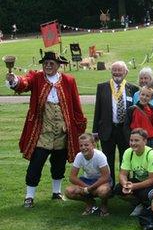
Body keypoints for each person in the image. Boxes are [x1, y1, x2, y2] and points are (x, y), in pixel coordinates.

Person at [6, 51, 87, 208]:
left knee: (59, 164)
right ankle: (29, 196)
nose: (48, 66)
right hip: (42, 132)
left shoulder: (69, 80)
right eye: (46, 63)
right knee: (35, 164)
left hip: (62, 133)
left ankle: (56, 192)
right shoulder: (37, 77)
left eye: (51, 63)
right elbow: (24, 84)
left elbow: (76, 104)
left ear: (58, 65)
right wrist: (14, 80)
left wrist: (79, 124)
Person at [93, 61, 139, 184]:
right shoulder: (102, 87)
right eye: (115, 70)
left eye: (120, 70)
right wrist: (94, 131)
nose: (117, 73)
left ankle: (125, 184)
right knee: (108, 159)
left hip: (125, 130)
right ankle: (110, 184)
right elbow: (98, 109)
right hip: (107, 129)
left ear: (126, 72)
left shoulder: (133, 88)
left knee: (126, 158)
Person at [114, 128, 153, 216]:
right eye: (131, 140)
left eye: (136, 140)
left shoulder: (152, 154)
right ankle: (139, 203)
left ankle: (145, 204)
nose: (133, 143)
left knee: (144, 194)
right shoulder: (128, 152)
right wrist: (125, 185)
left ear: (145, 141)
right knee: (118, 189)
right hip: (139, 181)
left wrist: (133, 187)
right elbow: (122, 174)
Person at [64, 133, 111, 216]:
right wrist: (86, 187)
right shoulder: (79, 156)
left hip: (101, 181)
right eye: (81, 145)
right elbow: (72, 177)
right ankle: (90, 202)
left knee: (103, 191)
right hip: (87, 181)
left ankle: (104, 204)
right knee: (69, 191)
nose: (83, 148)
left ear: (93, 145)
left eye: (86, 145)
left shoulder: (100, 156)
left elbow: (106, 177)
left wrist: (90, 188)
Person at [126, 86, 153, 166]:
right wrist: (130, 141)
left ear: (151, 98)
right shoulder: (131, 110)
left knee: (150, 163)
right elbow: (126, 128)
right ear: (139, 95)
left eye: (147, 96)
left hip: (151, 141)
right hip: (136, 140)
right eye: (142, 94)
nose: (144, 97)